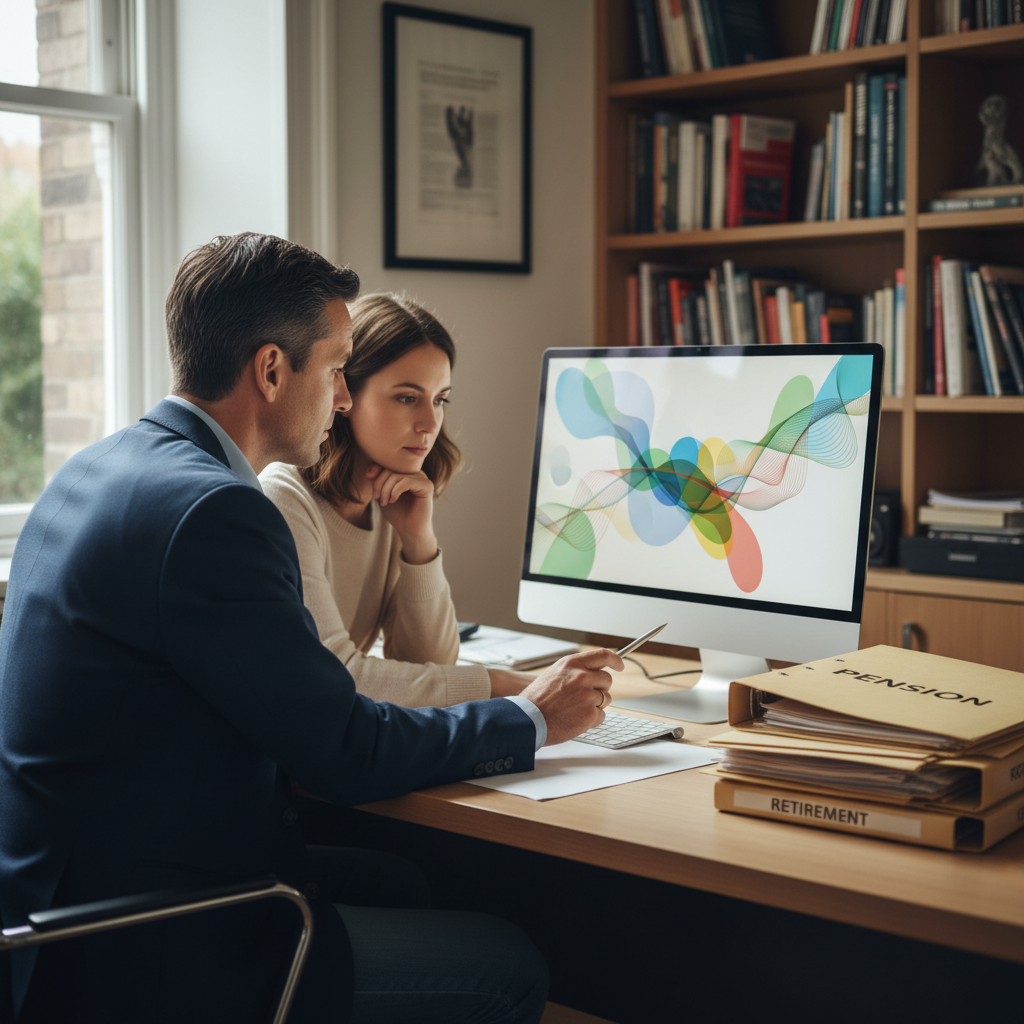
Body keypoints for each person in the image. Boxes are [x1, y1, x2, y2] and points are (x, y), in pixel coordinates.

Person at [0, 233, 623, 1023]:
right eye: (335, 370)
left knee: (406, 882)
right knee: (509, 965)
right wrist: (531, 717)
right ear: (270, 370)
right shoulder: (220, 513)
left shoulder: (100, 466)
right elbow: (344, 751)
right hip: (141, 933)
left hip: (64, 887)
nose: (339, 397)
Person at [260, 292, 525, 709]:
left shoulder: (390, 502)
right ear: (344, 392)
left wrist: (418, 541)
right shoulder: (284, 499)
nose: (429, 423)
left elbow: (428, 662)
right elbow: (336, 678)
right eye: (407, 397)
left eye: (440, 399)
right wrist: (504, 685)